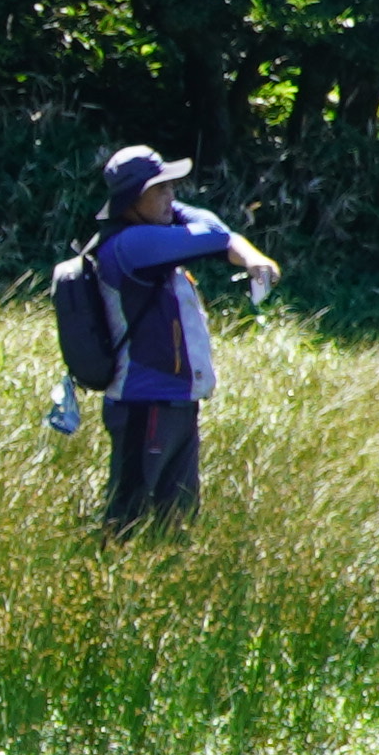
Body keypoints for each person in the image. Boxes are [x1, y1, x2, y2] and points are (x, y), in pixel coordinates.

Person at [87, 143, 277, 533]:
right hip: (144, 403)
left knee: (176, 524)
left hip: (174, 402)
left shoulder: (146, 236)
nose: (171, 196)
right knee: (127, 521)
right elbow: (214, 234)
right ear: (132, 200)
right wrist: (237, 247)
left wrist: (249, 255)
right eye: (160, 189)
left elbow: (219, 235)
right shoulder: (132, 245)